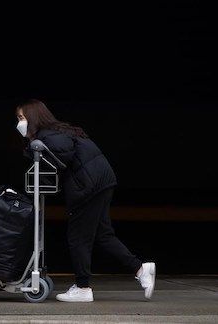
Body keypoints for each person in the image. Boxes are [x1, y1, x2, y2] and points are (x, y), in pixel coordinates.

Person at [15, 99, 156, 302]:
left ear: (33, 117)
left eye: (21, 118)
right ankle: (141, 269)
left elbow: (63, 156)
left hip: (88, 186)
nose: (19, 123)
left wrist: (32, 147)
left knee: (78, 238)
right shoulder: (57, 130)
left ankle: (83, 288)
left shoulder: (48, 135)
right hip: (101, 181)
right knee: (103, 235)